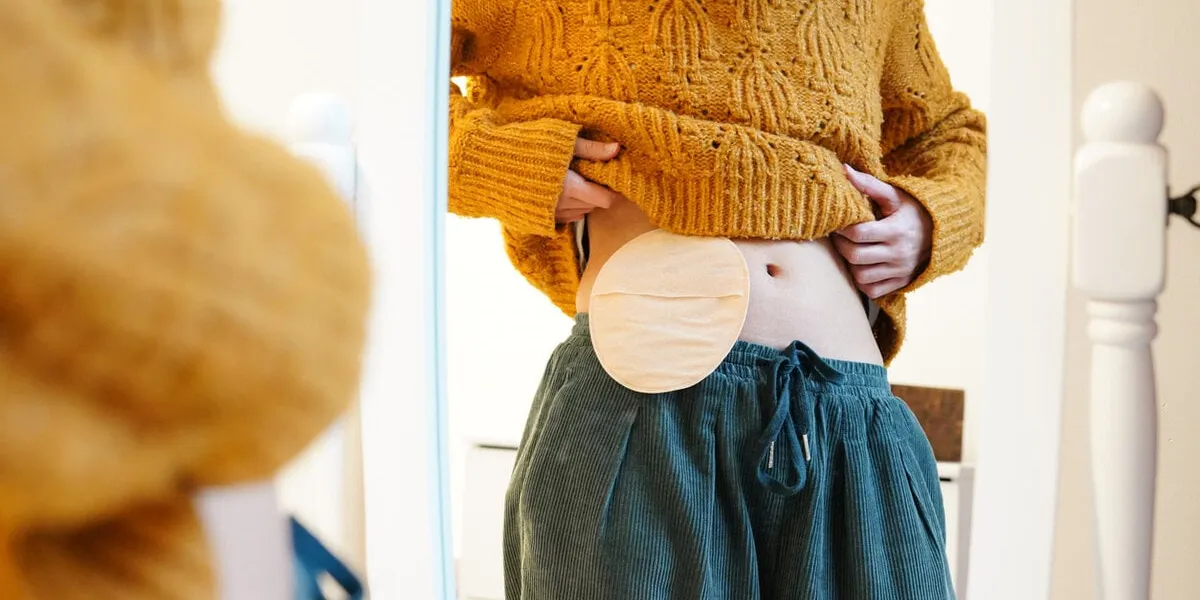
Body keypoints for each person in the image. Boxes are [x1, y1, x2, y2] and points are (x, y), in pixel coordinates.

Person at [449, 1, 986, 598]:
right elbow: (396, 81)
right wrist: (504, 161)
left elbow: (948, 131)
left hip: (849, 418)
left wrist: (928, 221)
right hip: (642, 404)